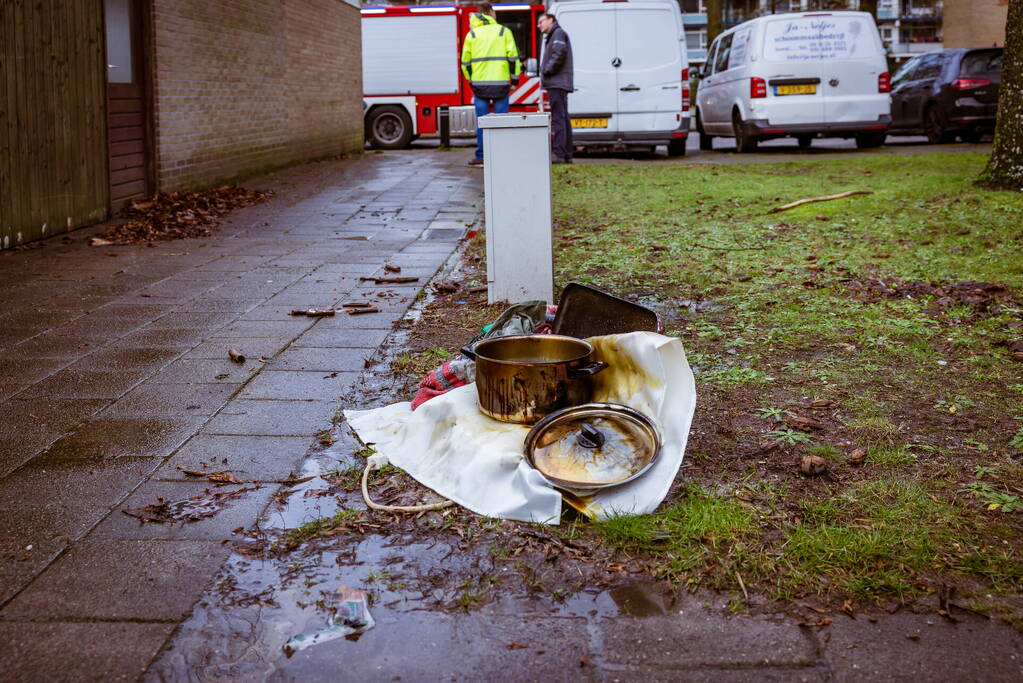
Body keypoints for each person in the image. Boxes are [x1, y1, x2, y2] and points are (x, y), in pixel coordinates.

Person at [461, 3, 521, 167]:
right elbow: (513, 59)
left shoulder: (471, 35)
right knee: (501, 123)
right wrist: (514, 81)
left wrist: (472, 81)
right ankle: (501, 156)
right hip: (501, 86)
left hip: (480, 87)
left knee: (482, 123)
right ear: (490, 12)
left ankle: (481, 157)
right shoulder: (504, 32)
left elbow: (465, 63)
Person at [537, 12, 574, 164]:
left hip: (557, 82)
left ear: (551, 20)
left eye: (541, 21)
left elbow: (559, 54)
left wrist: (546, 70)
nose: (539, 25)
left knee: (559, 118)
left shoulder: (557, 34)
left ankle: (558, 153)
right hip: (559, 82)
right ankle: (566, 153)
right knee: (563, 117)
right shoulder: (555, 35)